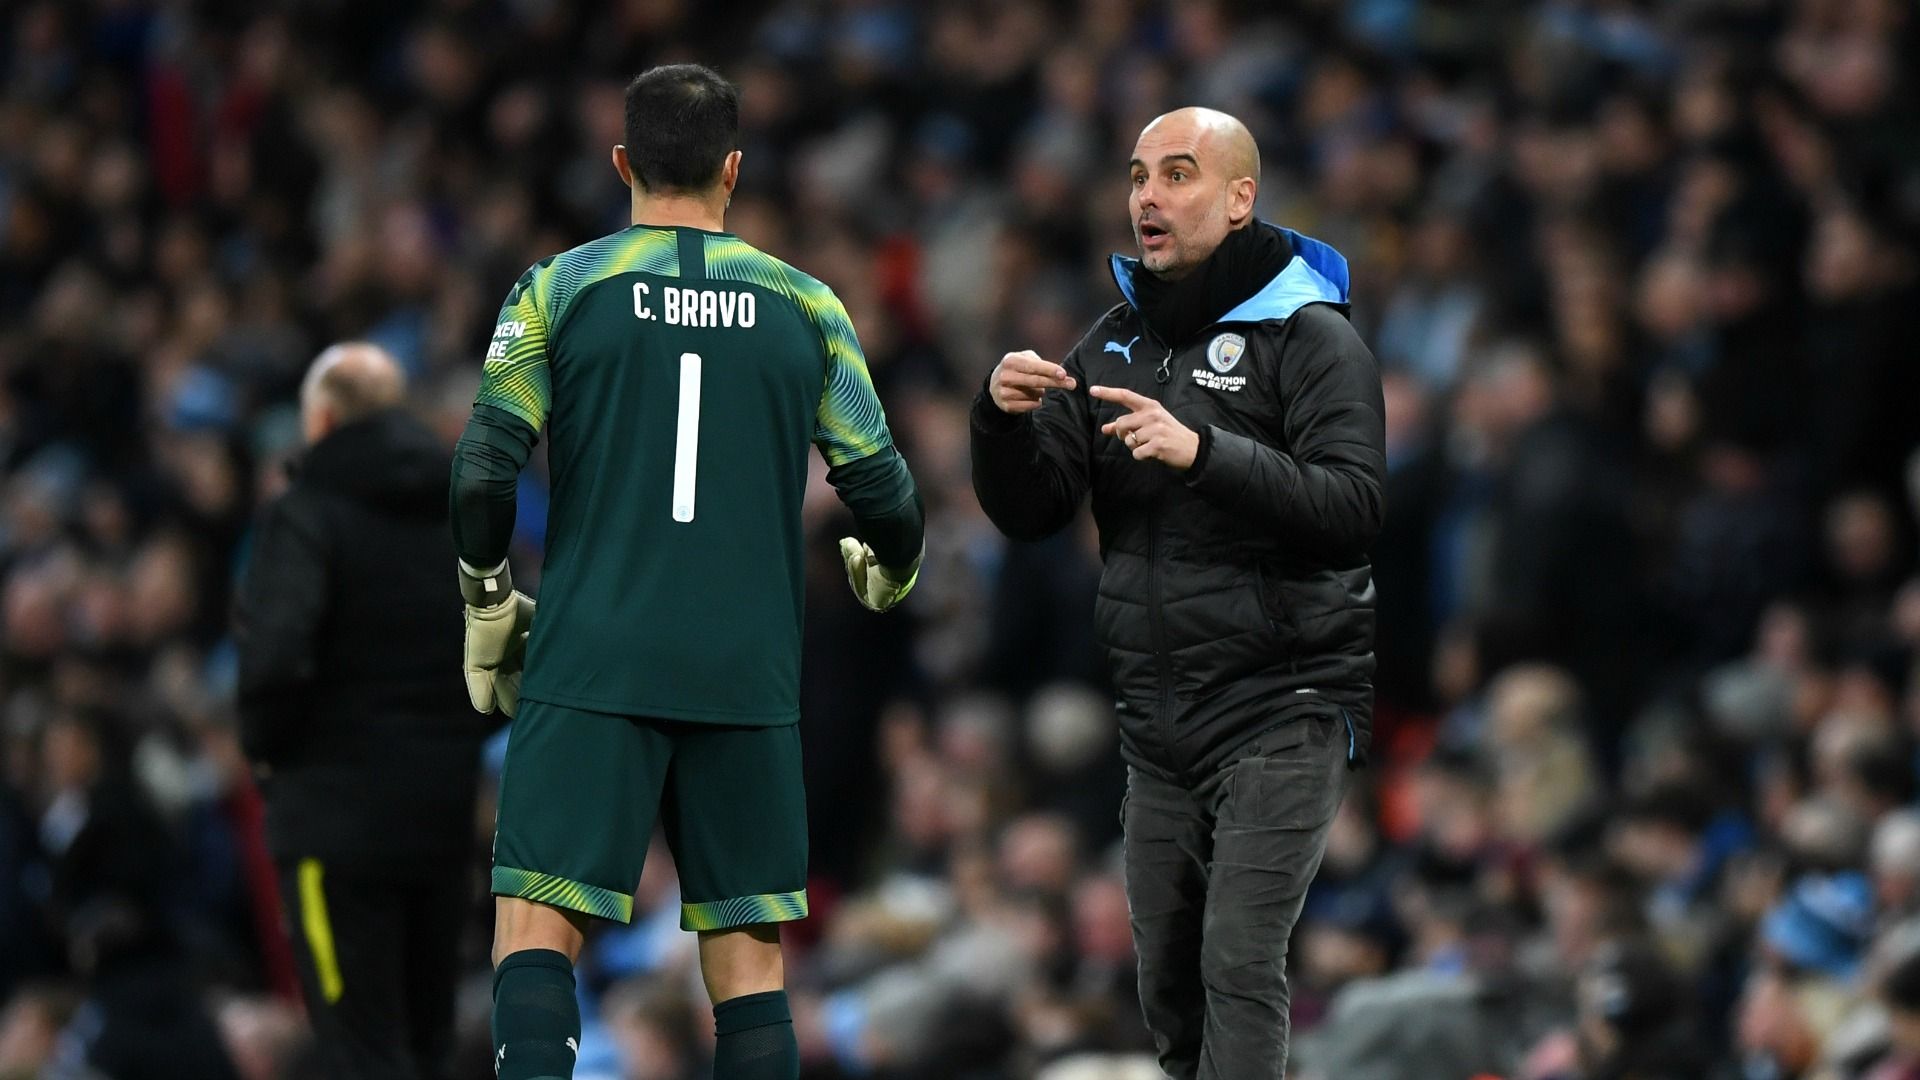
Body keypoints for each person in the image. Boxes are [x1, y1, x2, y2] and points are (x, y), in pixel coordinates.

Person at [448, 64, 924, 1080]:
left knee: (538, 932)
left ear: (621, 161)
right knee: (748, 961)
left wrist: (487, 600)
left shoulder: (560, 288)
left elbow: (484, 472)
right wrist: (892, 568)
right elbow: (888, 494)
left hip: (593, 655)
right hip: (746, 672)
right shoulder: (808, 305)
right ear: (733, 171)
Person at [970, 106, 1386, 1078]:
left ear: (1241, 198)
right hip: (1158, 722)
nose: (1147, 196)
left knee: (1238, 960)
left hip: (1283, 701)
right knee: (1168, 985)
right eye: (1137, 175)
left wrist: (1205, 454)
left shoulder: (1312, 339)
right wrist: (996, 423)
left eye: (1179, 174)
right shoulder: (1111, 344)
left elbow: (1355, 507)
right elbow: (1033, 513)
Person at [234, 343, 490, 1080]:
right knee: (427, 1042)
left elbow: (277, 656)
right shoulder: (462, 512)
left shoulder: (306, 514)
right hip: (440, 819)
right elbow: (513, 647)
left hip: (334, 823)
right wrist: (450, 742)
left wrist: (272, 754)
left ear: (320, 418)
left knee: (359, 1049)